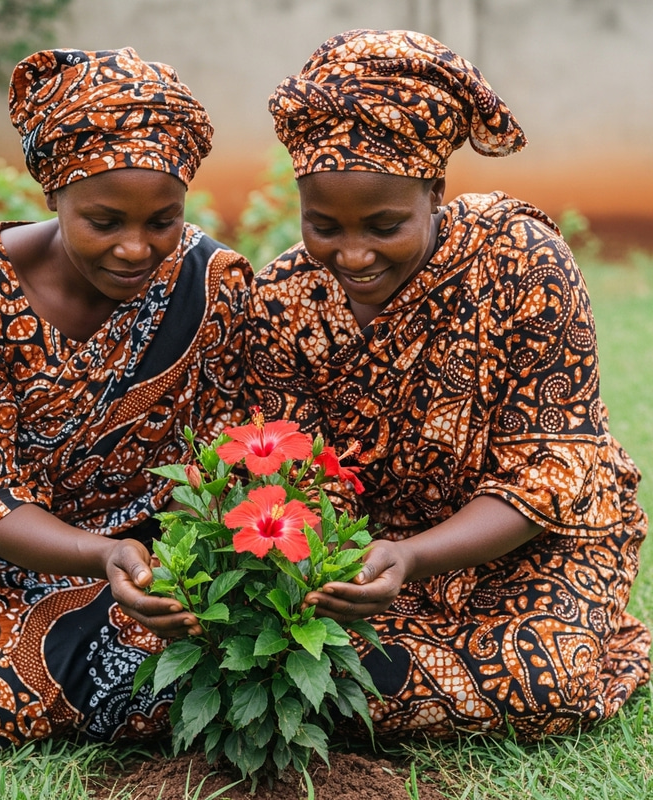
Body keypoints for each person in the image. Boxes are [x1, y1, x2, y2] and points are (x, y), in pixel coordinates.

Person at [245, 29, 650, 740]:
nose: (353, 253)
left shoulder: (521, 261)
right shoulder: (284, 296)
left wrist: (417, 557)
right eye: (323, 226)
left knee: (545, 678)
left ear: (435, 189)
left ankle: (333, 692)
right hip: (369, 553)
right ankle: (335, 684)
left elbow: (552, 469)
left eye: (384, 224)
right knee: (252, 650)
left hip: (532, 539)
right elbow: (291, 468)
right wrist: (352, 562)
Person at [0, 47, 252, 747]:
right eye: (104, 221)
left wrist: (164, 563)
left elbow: (227, 459)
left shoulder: (212, 283)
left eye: (162, 221)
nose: (137, 248)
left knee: (226, 645)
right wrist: (96, 556)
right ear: (53, 193)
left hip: (151, 554)